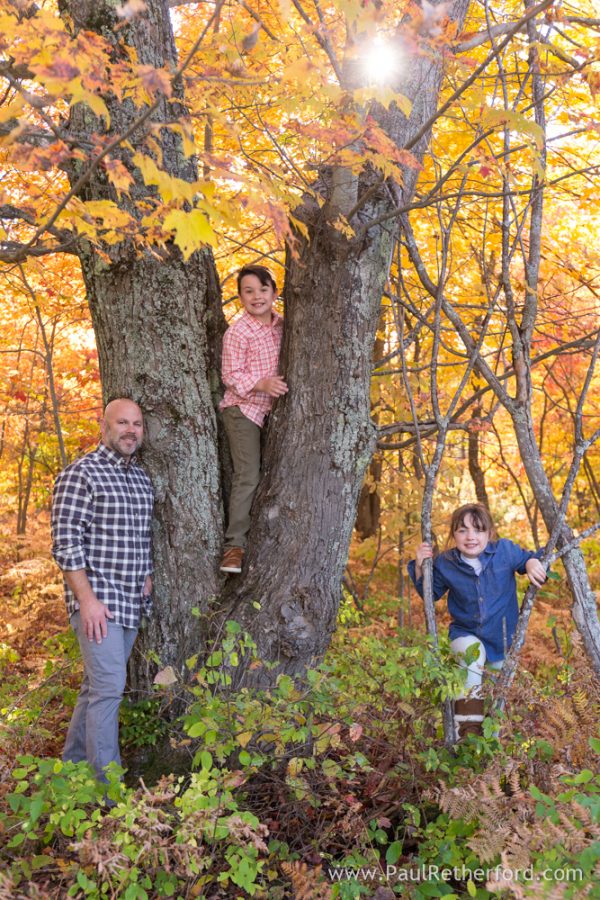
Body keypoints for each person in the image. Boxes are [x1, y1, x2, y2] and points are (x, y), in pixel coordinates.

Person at [51, 398, 154, 780]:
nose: (131, 430)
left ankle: (72, 774)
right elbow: (65, 543)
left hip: (130, 603)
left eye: (137, 424)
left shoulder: (140, 478)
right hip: (99, 604)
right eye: (123, 422)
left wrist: (146, 574)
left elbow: (140, 538)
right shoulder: (81, 474)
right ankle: (107, 795)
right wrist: (87, 600)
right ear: (104, 426)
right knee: (109, 691)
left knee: (95, 688)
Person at [407, 503, 546, 738]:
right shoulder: (446, 563)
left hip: (502, 640)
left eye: (478, 530)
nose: (471, 537)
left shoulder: (504, 551)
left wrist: (532, 562)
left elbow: (527, 559)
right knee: (470, 660)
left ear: (489, 533)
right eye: (462, 530)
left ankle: (490, 750)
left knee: (499, 698)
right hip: (465, 633)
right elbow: (430, 595)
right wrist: (421, 567)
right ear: (453, 534)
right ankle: (467, 738)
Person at [219, 265, 288, 574]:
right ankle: (234, 546)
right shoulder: (238, 332)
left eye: (263, 289)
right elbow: (230, 375)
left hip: (273, 412)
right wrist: (262, 384)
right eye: (249, 291)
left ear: (274, 292)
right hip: (243, 409)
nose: (257, 297)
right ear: (240, 297)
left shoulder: (282, 325)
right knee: (247, 474)